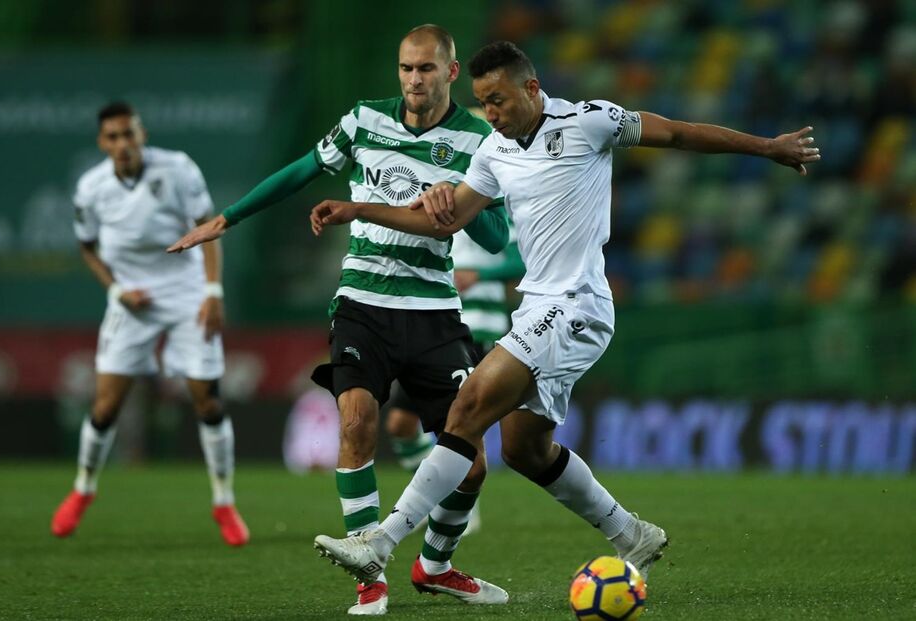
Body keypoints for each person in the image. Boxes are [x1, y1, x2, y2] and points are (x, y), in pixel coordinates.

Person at [309, 40, 821, 587]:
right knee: (527, 450)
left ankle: (380, 544)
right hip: (538, 307)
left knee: (467, 410)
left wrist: (767, 147)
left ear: (531, 88)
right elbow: (447, 220)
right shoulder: (493, 152)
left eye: (500, 100)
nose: (494, 114)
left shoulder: (588, 121)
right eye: (483, 101)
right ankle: (632, 535)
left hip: (577, 304)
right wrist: (360, 209)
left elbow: (674, 132)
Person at [168, 25, 510, 615]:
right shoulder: (363, 121)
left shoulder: (480, 141)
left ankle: (436, 566)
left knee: (472, 461)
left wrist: (458, 206)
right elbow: (301, 170)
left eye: (426, 69)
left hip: (432, 310)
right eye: (405, 68)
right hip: (362, 303)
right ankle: (369, 577)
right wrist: (228, 218)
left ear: (451, 73)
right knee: (357, 422)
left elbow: (497, 234)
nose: (413, 80)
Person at [51, 102, 249, 547]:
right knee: (104, 407)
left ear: (141, 135)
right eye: (113, 137)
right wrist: (116, 291)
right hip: (131, 299)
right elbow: (88, 247)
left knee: (209, 403)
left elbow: (209, 228)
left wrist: (213, 293)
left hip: (186, 291)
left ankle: (224, 501)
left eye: (129, 134)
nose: (122, 144)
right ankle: (83, 489)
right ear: (103, 143)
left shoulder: (177, 168)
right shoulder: (91, 188)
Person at [385, 213, 525, 539]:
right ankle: (441, 498)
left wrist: (480, 274)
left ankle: (462, 509)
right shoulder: (433, 201)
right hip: (433, 327)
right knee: (401, 425)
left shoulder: (497, 210)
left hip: (477, 329)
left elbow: (522, 263)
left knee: (460, 426)